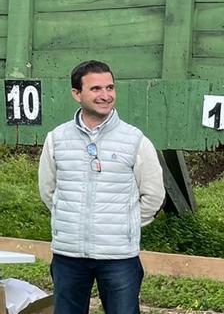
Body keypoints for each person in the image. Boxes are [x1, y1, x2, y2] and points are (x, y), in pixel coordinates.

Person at [38, 60, 165, 314]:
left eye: (110, 88)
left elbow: (153, 194)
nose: (105, 96)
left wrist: (124, 224)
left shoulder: (135, 140)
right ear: (76, 94)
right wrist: (72, 221)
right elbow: (48, 191)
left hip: (119, 258)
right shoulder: (57, 139)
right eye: (96, 89)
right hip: (68, 255)